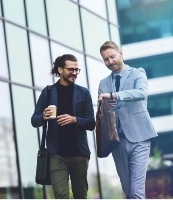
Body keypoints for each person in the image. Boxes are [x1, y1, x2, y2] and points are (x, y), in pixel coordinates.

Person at [98, 41, 157, 199]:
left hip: (139, 137)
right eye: (106, 59)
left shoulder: (138, 73)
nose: (110, 62)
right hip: (117, 141)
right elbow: (102, 113)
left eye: (112, 57)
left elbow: (141, 93)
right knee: (128, 190)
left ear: (121, 54)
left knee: (137, 191)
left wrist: (114, 96)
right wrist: (105, 106)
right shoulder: (103, 83)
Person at [31, 54, 95, 199]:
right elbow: (34, 120)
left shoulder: (83, 93)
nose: (74, 73)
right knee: (61, 196)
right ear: (60, 70)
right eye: (71, 69)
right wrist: (43, 117)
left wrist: (75, 120)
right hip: (56, 154)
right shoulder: (47, 92)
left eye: (77, 70)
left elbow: (91, 123)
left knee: (80, 196)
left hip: (79, 153)